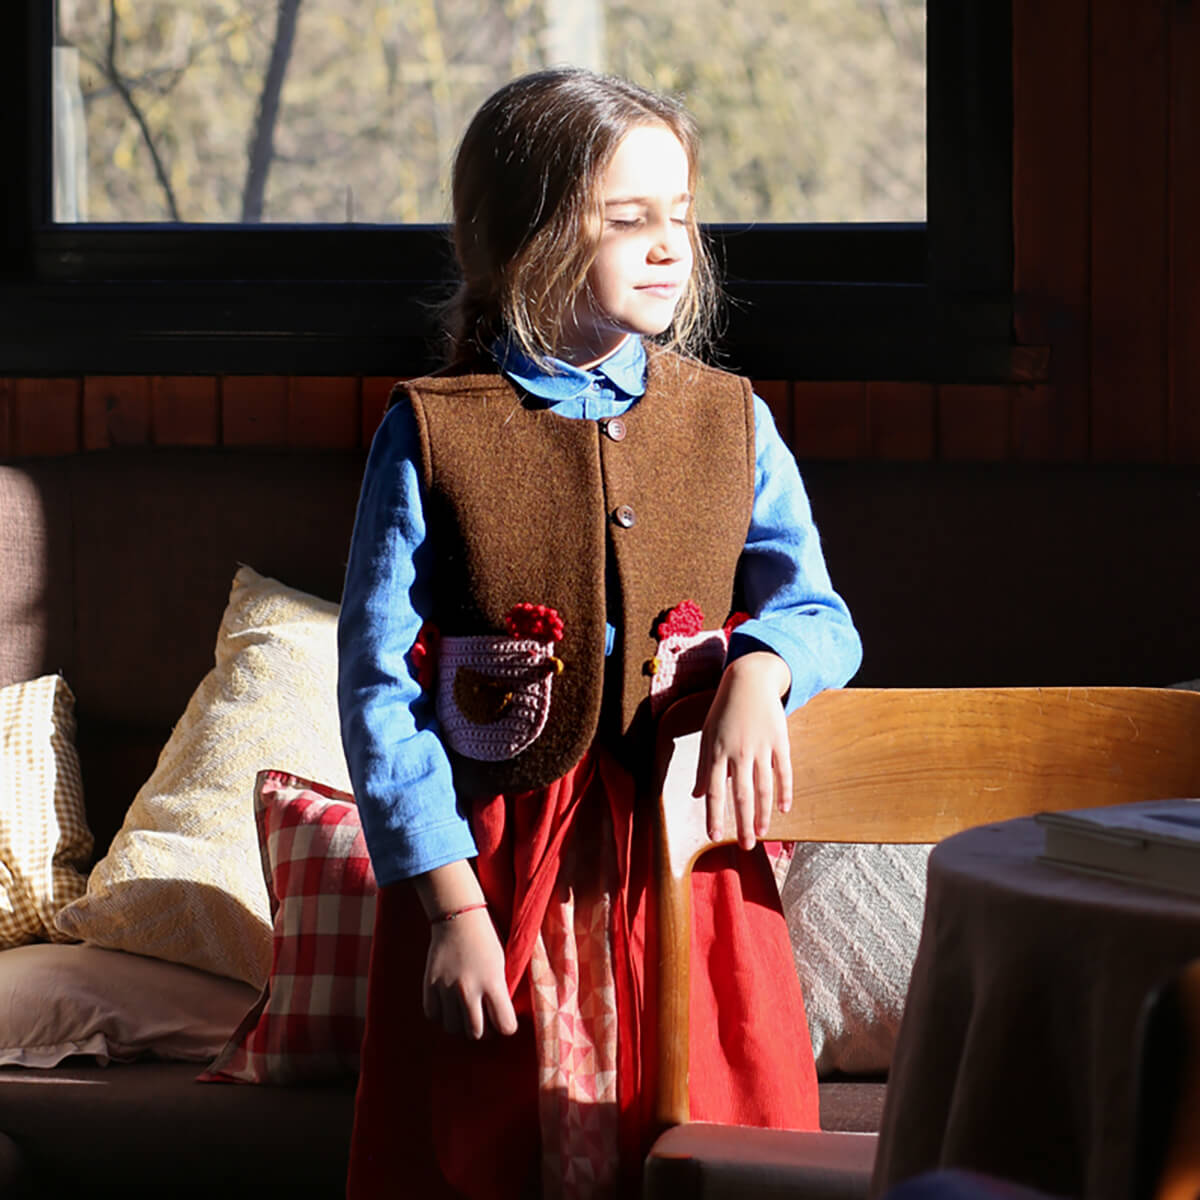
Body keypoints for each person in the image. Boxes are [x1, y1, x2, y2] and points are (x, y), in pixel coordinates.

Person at [336, 67, 862, 1200]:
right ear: (525, 242)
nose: (670, 247)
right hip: (500, 872)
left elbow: (820, 613)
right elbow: (378, 688)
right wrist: (452, 908)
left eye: (681, 215)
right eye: (628, 220)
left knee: (711, 1125)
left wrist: (764, 671)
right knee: (497, 1140)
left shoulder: (732, 419)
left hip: (686, 866)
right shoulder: (433, 432)